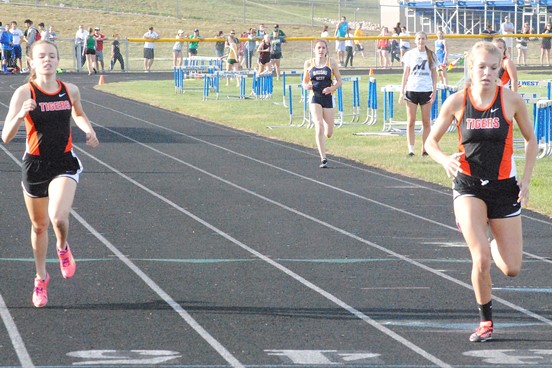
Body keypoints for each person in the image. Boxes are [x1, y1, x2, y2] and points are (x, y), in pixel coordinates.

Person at [424, 41, 537, 343]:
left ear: (501, 68)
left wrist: (526, 180)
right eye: (481, 67)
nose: (487, 73)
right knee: (481, 259)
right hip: (468, 186)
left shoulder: (511, 100)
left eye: (493, 67)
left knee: (512, 268)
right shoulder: (457, 102)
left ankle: (492, 240)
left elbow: (531, 140)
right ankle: (486, 322)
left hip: (504, 188)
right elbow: (430, 143)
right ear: (471, 69)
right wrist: (444, 158)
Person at [1, 40, 100, 308]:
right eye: (41, 56)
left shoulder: (70, 90)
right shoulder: (24, 92)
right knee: (39, 225)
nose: (47, 60)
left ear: (58, 60)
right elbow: (6, 137)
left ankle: (63, 248)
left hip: (64, 162)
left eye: (52, 56)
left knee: (57, 217)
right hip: (34, 165)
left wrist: (87, 129)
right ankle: (41, 278)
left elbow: (78, 114)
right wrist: (20, 115)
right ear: (31, 62)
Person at [301, 39, 343, 169]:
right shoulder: (309, 63)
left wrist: (331, 88)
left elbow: (339, 81)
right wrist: (306, 86)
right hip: (315, 97)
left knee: (329, 132)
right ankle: (323, 157)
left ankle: (327, 126)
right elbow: (304, 82)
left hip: (328, 97)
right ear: (314, 50)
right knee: (318, 125)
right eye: (318, 48)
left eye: (323, 48)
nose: (321, 50)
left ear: (326, 50)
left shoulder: (332, 63)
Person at [399, 31, 437, 157]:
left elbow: (434, 74)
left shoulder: (431, 54)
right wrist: (402, 90)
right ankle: (411, 149)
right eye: (419, 39)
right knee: (411, 121)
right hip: (412, 89)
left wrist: (434, 90)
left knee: (426, 121)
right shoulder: (410, 54)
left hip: (425, 89)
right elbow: (406, 73)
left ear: (426, 40)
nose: (421, 41)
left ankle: (425, 149)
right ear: (415, 41)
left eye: (423, 39)